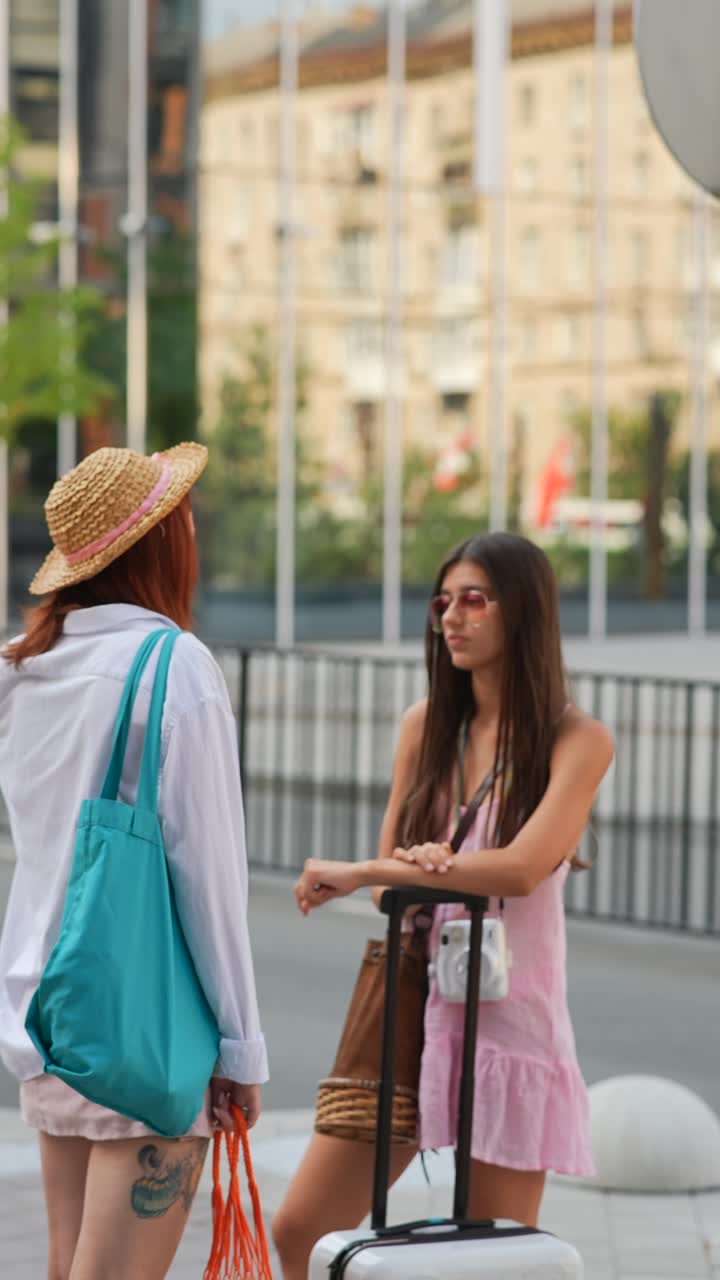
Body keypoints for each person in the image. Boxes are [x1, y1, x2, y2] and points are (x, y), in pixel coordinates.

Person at [273, 531, 614, 1280]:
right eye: (444, 602)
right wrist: (403, 870)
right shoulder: (426, 725)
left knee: (487, 1258)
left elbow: (524, 869)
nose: (452, 618)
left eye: (475, 600)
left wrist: (396, 867)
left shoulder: (575, 739)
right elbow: (398, 885)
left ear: (522, 612)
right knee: (300, 1231)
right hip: (408, 1016)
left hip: (509, 1026)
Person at [0, 444, 268, 1280]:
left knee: (65, 1268)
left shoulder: (24, 666)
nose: (192, 524)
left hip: (45, 1011)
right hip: (144, 1027)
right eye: (180, 513)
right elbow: (208, 877)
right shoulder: (171, 667)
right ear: (155, 542)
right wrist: (241, 1049)